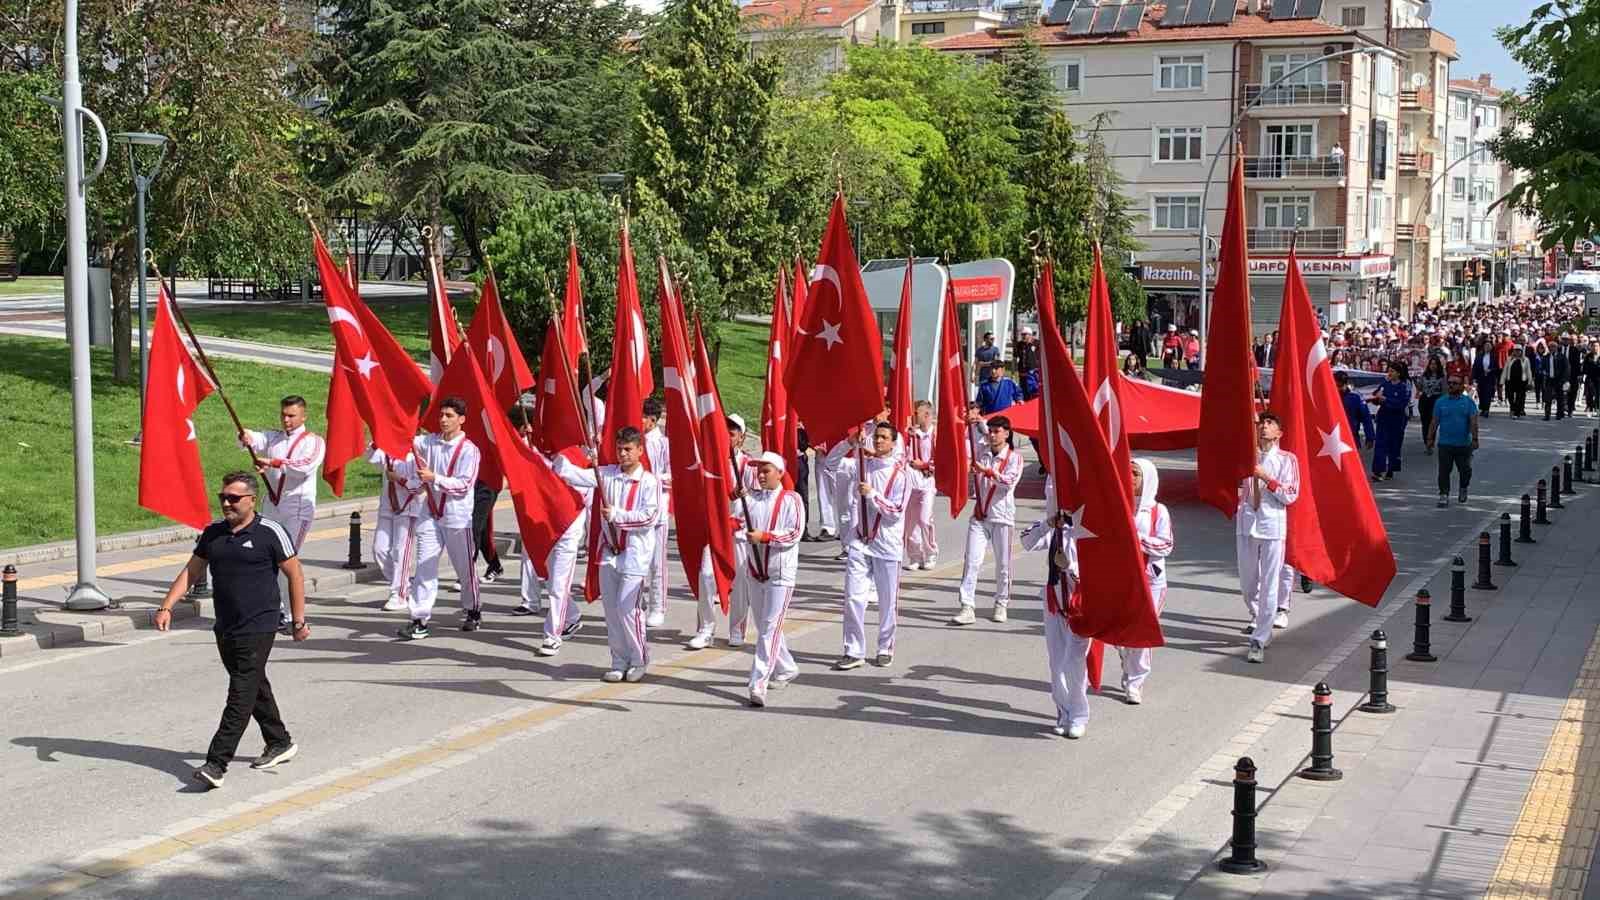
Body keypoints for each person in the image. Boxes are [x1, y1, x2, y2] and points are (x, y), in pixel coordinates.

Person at [153, 472, 309, 789]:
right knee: (253, 686)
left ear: (252, 500)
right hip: (226, 625)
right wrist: (167, 605)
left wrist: (298, 620)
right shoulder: (213, 533)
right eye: (223, 497)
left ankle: (217, 762)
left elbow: (294, 574)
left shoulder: (270, 532)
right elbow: (192, 570)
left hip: (260, 624)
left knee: (240, 693)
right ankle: (279, 741)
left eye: (234, 498)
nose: (226, 503)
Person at [554, 426, 661, 682]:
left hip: (635, 554)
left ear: (639, 451)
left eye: (628, 449)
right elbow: (575, 475)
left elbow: (650, 517)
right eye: (619, 449)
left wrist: (618, 516)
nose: (623, 454)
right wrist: (560, 458)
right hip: (608, 553)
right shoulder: (607, 474)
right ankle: (618, 660)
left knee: (628, 609)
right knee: (611, 610)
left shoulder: (648, 482)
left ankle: (639, 658)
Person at [393, 396, 482, 640]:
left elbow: (464, 485)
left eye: (449, 416)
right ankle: (419, 618)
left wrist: (435, 479)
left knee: (464, 568)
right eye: (441, 415)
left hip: (457, 518)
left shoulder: (470, 450)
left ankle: (473, 607)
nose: (443, 420)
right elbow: (405, 439)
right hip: (430, 514)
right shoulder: (430, 441)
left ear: (461, 420)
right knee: (424, 567)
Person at [239, 395, 325, 629]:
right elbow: (256, 438)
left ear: (303, 416)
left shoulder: (314, 441)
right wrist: (245, 435)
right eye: (283, 415)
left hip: (298, 507)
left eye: (291, 416)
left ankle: (291, 615)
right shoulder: (275, 437)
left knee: (286, 560)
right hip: (272, 505)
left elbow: (304, 466)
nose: (286, 420)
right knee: (267, 558)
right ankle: (274, 609)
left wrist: (274, 463)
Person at [832, 421, 909, 670]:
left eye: (884, 438)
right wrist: (849, 442)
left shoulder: (901, 474)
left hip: (887, 545)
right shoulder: (863, 465)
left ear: (893, 443)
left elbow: (896, 511)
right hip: (860, 542)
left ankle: (885, 647)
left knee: (887, 602)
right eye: (876, 437)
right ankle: (854, 651)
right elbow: (831, 465)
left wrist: (872, 494)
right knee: (853, 597)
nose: (878, 441)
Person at [735, 452, 805, 707]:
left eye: (766, 471)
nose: (761, 475)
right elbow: (736, 523)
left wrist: (765, 536)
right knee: (766, 625)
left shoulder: (792, 499)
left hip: (780, 573)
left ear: (780, 473)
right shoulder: (750, 499)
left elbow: (794, 533)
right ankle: (786, 667)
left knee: (769, 628)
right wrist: (732, 504)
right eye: (758, 471)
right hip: (756, 570)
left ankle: (758, 682)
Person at [1237, 412, 1299, 664]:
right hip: (1246, 524)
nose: (1264, 427)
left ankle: (1260, 637)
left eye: (1270, 424)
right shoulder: (1245, 456)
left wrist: (1265, 477)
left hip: (1272, 525)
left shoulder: (1287, 460)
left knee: (1269, 582)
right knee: (1248, 583)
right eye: (1261, 423)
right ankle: (1259, 614)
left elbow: (1291, 494)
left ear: (1279, 433)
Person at [950, 415, 1023, 626]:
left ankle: (1001, 602)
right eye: (990, 431)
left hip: (1002, 517)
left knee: (1003, 564)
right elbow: (977, 432)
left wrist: (988, 472)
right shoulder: (982, 451)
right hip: (980, 516)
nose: (992, 435)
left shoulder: (1014, 458)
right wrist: (976, 419)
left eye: (996, 431)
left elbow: (1008, 483)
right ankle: (967, 606)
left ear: (1007, 434)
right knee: (972, 561)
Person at [1119, 458, 1173, 706]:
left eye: (1135, 474)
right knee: (1122, 632)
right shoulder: (1118, 506)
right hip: (1124, 579)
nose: (1130, 478)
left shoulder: (1157, 511)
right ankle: (1127, 656)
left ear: (1147, 479)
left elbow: (1166, 544)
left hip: (1151, 580)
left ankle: (1135, 682)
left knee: (1142, 631)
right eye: (1128, 472)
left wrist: (1138, 539)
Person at [366, 441, 421, 612]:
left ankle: (400, 593)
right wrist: (377, 438)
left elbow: (421, 484)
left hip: (408, 508)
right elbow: (372, 458)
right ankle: (402, 585)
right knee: (379, 550)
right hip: (387, 507)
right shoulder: (387, 448)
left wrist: (400, 479)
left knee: (400, 552)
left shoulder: (419, 450)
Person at [641, 397, 672, 628]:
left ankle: (657, 606)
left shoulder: (664, 444)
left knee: (656, 562)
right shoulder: (635, 442)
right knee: (637, 560)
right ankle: (637, 604)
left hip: (658, 510)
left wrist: (649, 479)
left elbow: (673, 477)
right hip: (637, 511)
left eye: (642, 417)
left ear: (652, 420)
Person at [1427, 375, 1479, 507]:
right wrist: (1430, 438)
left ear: (1462, 386)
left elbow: (1473, 422)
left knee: (1465, 470)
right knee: (1444, 471)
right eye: (1449, 383)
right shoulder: (1441, 402)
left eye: (1455, 383)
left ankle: (1463, 487)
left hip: (1463, 445)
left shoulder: (1468, 402)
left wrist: (1475, 439)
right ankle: (1443, 494)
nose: (1451, 385)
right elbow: (1434, 422)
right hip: (1445, 444)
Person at [902, 400, 938, 571]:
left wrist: (923, 465)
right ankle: (915, 556)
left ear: (927, 414)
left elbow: (941, 461)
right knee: (910, 522)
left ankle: (931, 553)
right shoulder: (911, 434)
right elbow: (902, 455)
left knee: (924, 519)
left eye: (917, 413)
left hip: (927, 482)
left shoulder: (936, 435)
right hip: (911, 482)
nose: (914, 416)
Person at [1369, 362, 1411, 481]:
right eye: (1389, 371)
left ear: (1398, 373)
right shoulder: (1385, 384)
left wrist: (1386, 400)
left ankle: (1390, 468)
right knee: (1381, 444)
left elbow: (1402, 403)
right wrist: (1377, 398)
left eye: (1392, 371)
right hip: (1384, 418)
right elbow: (1376, 396)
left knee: (1394, 445)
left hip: (1397, 419)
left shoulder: (1403, 386)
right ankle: (1378, 471)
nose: (1390, 373)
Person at [1334, 372, 1375, 450]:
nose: (1337, 388)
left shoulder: (1356, 397)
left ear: (1346, 384)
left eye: (1339, 386)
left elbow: (1366, 418)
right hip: (1332, 437)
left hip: (1351, 437)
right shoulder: (1329, 396)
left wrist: (1370, 437)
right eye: (1335, 385)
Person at [1416, 356, 1448, 450]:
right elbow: (1420, 387)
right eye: (1431, 364)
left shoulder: (1442, 377)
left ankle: (1431, 442)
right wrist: (1415, 381)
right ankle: (1426, 441)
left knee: (1433, 422)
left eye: (1435, 364)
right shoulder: (1424, 375)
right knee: (1425, 422)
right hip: (1425, 400)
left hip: (1436, 400)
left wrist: (1443, 404)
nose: (1433, 366)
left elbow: (1444, 391)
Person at [1546, 337, 1572, 420]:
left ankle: (1559, 414)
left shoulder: (1562, 357)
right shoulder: (1546, 357)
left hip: (1559, 380)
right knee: (1548, 398)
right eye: (1550, 347)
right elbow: (1542, 367)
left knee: (1560, 398)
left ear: (1557, 348)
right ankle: (1547, 414)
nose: (1552, 348)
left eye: (1554, 347)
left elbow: (1567, 368)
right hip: (1549, 379)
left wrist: (1564, 380)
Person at [1502, 347, 1532, 418]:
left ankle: (1516, 412)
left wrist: (1530, 381)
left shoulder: (1525, 360)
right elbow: (1505, 369)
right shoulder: (1509, 359)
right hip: (1510, 380)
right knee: (1510, 396)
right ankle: (1512, 407)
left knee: (1519, 397)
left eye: (1519, 351)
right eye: (1516, 350)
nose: (1517, 352)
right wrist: (1502, 380)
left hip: (1521, 381)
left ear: (1521, 352)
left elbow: (1528, 371)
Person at [1472, 338, 1499, 416]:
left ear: (1491, 347)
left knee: (1488, 393)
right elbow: (1475, 367)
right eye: (1486, 345)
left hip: (1490, 378)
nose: (1487, 347)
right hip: (1480, 377)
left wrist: (1490, 370)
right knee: (1481, 393)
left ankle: (1486, 409)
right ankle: (1483, 408)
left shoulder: (1494, 356)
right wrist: (1474, 377)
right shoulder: (1479, 355)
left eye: (1489, 346)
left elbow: (1497, 368)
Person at [1014, 326, 1040, 401]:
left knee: (1032, 390)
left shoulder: (1036, 343)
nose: (1023, 336)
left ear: (1030, 335)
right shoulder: (1019, 344)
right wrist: (1014, 372)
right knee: (1023, 390)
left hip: (1032, 373)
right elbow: (1015, 357)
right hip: (1022, 372)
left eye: (1025, 334)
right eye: (1022, 335)